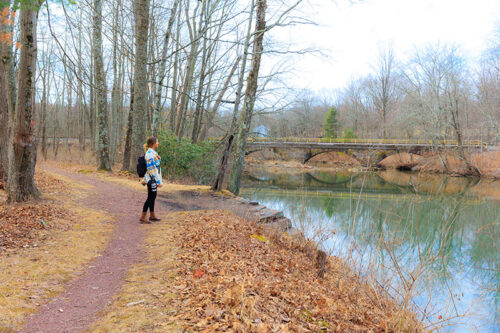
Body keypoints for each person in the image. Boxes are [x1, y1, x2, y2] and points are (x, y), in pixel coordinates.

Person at [140, 137, 163, 223]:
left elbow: (155, 166)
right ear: (153, 143)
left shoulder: (153, 153)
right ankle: (143, 216)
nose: (158, 143)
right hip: (151, 179)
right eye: (157, 142)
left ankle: (152, 215)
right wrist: (157, 181)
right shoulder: (149, 154)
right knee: (150, 197)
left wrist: (158, 158)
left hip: (153, 178)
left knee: (153, 196)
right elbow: (151, 168)